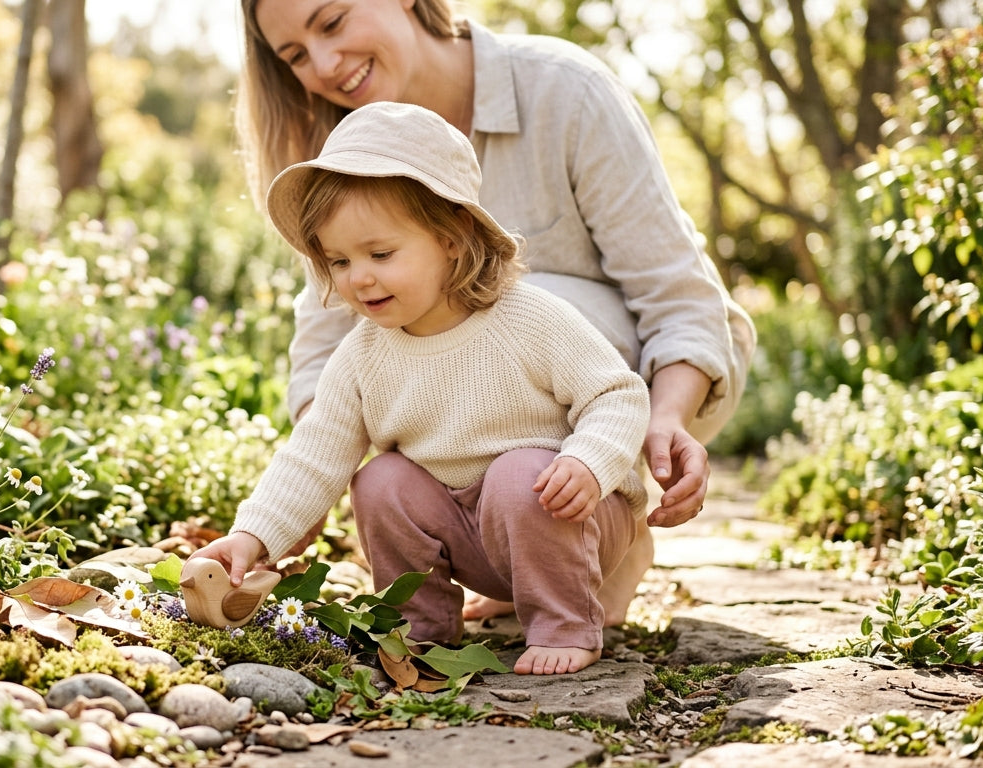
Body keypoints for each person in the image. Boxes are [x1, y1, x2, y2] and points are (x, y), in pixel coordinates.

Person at [234, 0, 757, 624]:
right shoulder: (345, 164)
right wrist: (291, 502)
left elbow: (679, 298)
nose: (321, 64)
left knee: (525, 357)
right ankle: (476, 575)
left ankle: (592, 541)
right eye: (294, 55)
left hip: (597, 400)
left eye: (333, 21)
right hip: (461, 448)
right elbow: (324, 366)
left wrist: (662, 418)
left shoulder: (566, 92)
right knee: (382, 474)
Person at [190, 101, 651, 675]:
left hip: (567, 515)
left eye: (380, 254)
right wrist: (252, 538)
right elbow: (313, 454)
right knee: (379, 479)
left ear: (452, 237)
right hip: (470, 539)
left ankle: (563, 624)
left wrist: (590, 461)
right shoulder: (362, 354)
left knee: (514, 476)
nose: (358, 277)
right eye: (338, 260)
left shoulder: (530, 319)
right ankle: (422, 626)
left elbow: (618, 395)